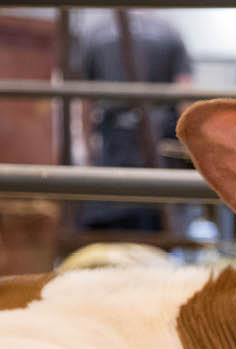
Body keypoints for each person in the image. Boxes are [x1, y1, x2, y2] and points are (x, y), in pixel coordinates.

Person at [77, 11, 193, 231]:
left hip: (112, 142)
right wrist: (189, 148)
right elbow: (183, 94)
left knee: (111, 216)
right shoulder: (169, 31)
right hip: (158, 143)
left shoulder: (95, 32)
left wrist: (86, 147)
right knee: (158, 217)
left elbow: (85, 98)